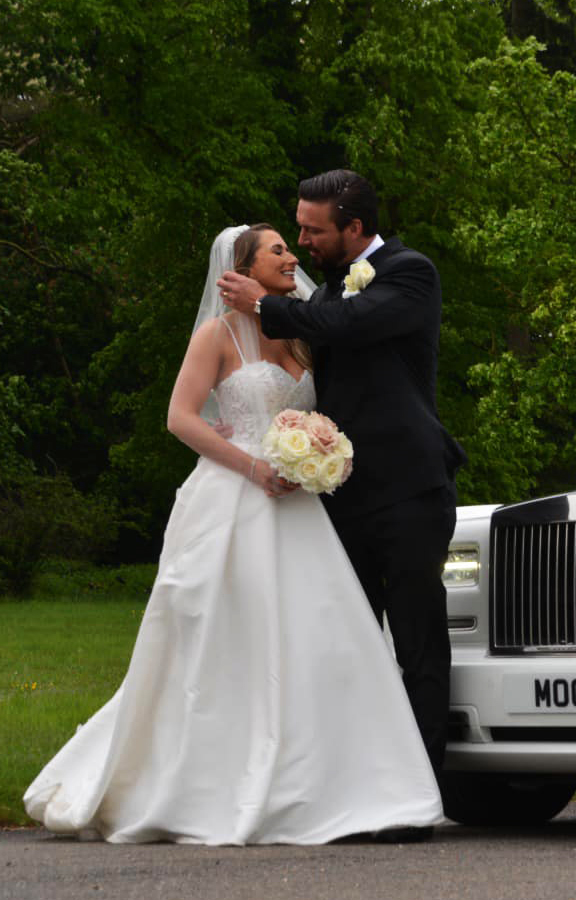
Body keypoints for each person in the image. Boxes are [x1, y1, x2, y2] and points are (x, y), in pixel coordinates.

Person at [23, 225, 444, 845]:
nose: (292, 256)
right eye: (277, 250)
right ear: (241, 268)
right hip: (233, 495)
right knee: (227, 639)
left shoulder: (301, 336)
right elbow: (180, 418)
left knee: (318, 640)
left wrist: (316, 452)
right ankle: (206, 780)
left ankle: (325, 784)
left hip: (298, 509)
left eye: (290, 247)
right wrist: (254, 467)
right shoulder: (215, 336)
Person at [218, 170, 464, 842]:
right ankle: (356, 792)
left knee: (417, 644)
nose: (302, 239)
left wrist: (266, 306)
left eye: (312, 229)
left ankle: (420, 799)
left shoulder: (409, 273)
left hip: (411, 490)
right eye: (296, 228)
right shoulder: (322, 291)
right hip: (343, 496)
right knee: (347, 646)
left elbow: (351, 323)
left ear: (353, 226)